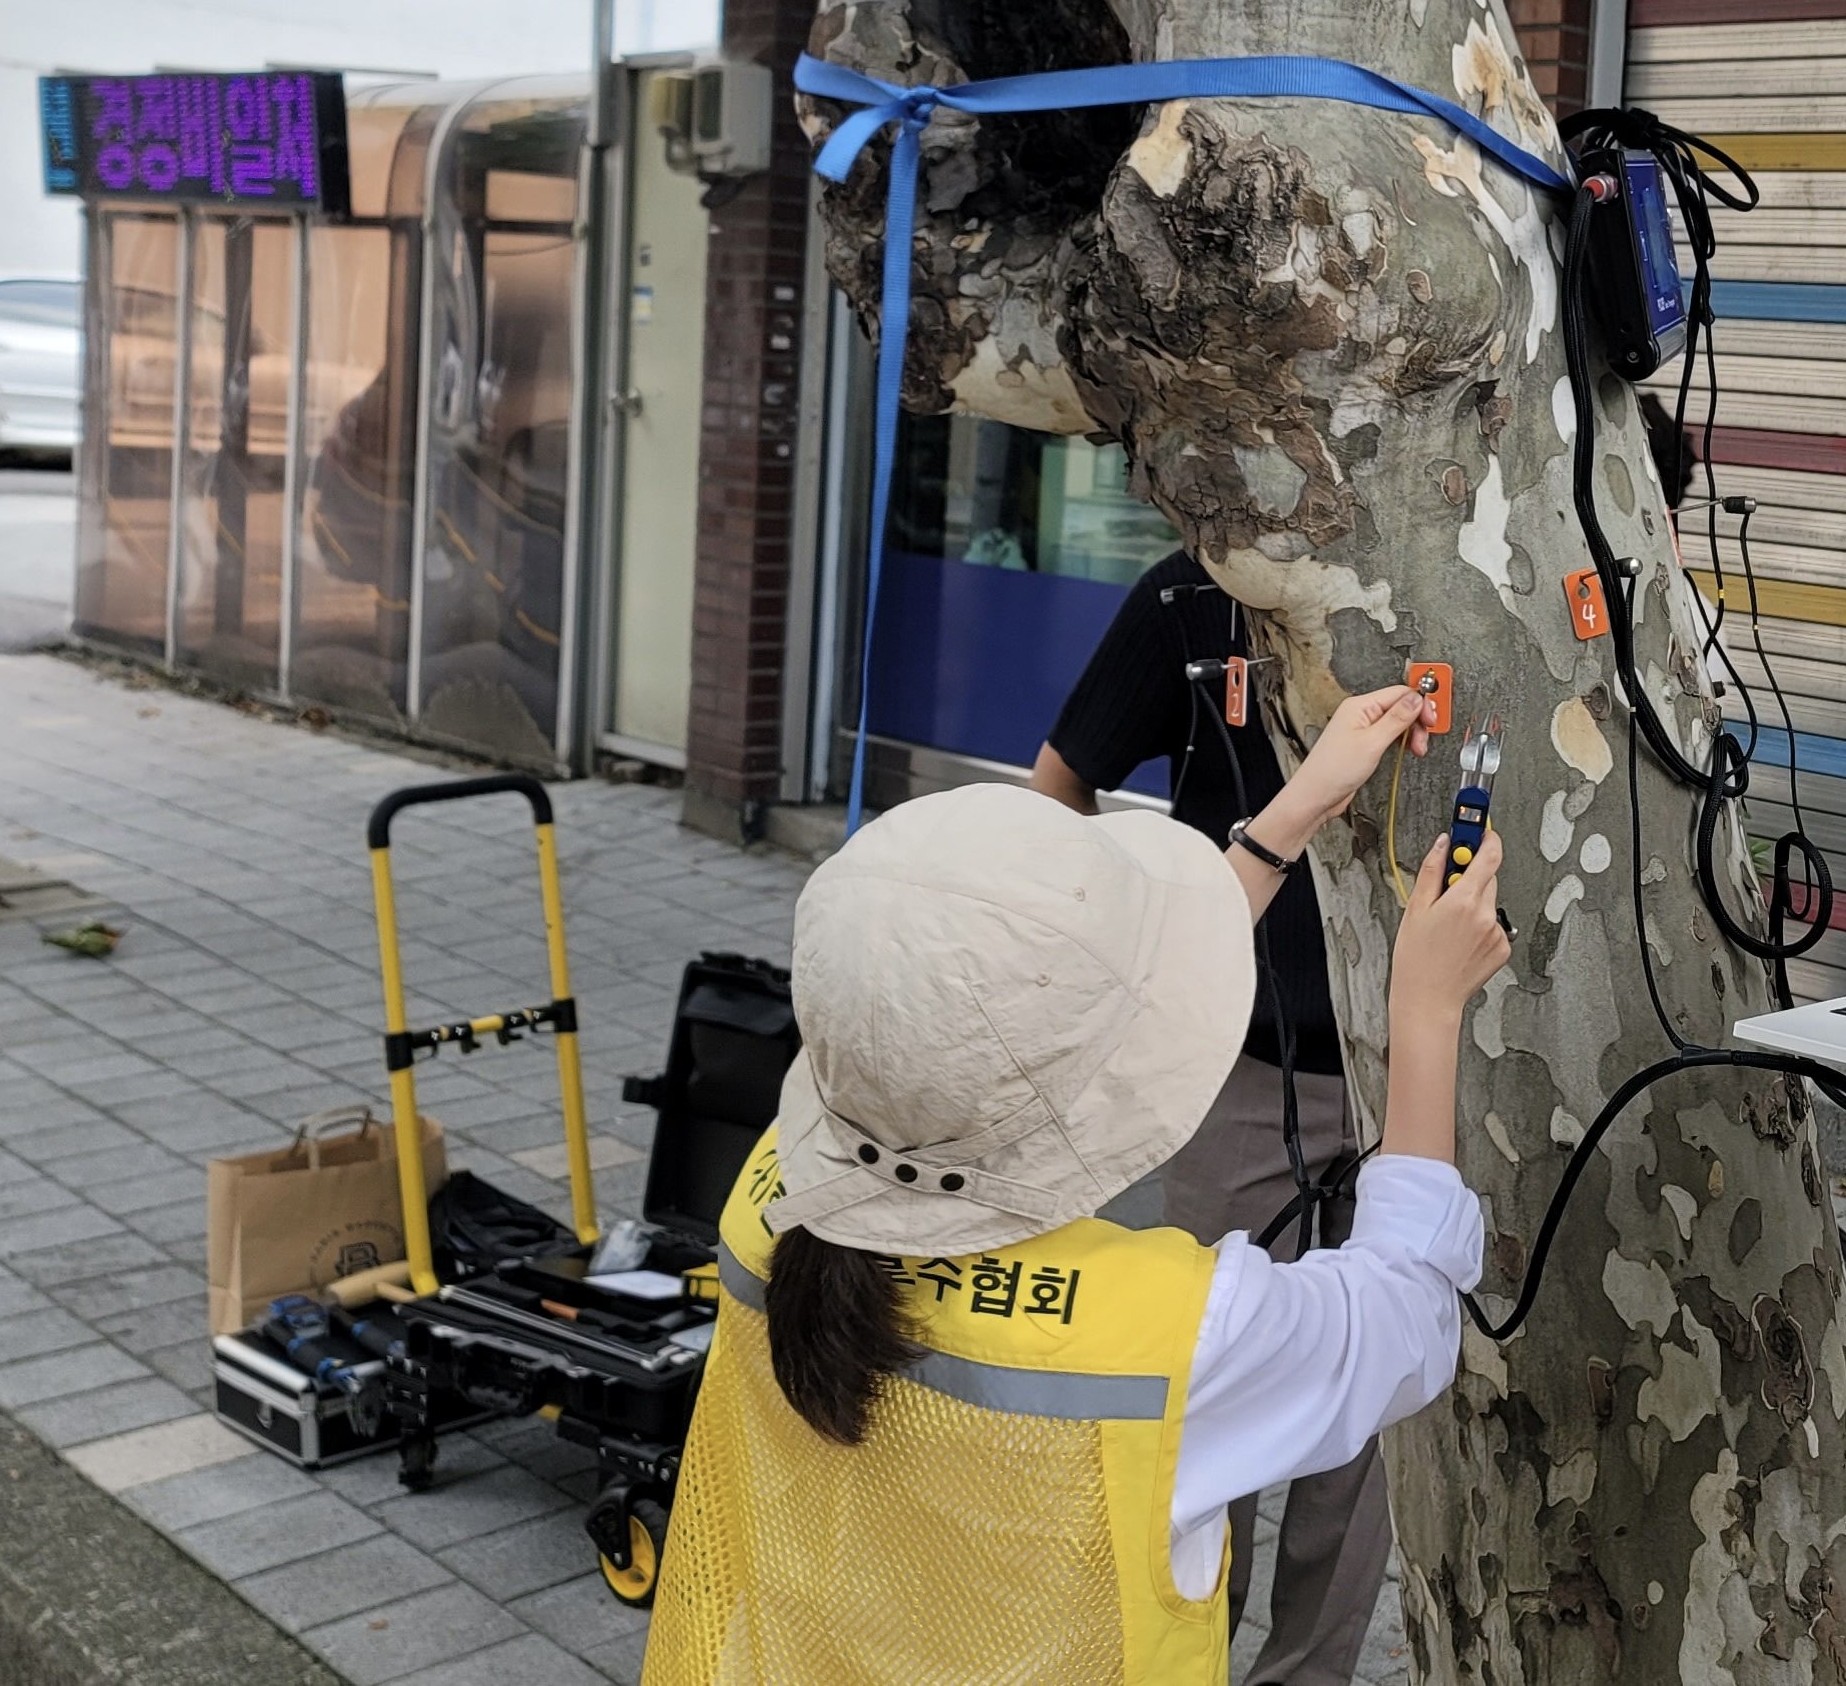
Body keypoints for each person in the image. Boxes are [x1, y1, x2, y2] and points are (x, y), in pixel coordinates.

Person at [642, 684, 1506, 1685]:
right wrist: (1427, 1008)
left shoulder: (768, 1194)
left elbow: (1027, 1028)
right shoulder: (1173, 1336)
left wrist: (1290, 818)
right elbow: (1406, 1310)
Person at [1029, 548, 1431, 1685]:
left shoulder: (1457, 573)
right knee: (1202, 1398)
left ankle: (1307, 1670)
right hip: (1236, 1069)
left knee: (1362, 1437)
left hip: (1414, 1077)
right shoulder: (1187, 595)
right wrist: (1126, 944)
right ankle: (1182, 1654)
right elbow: (1061, 777)